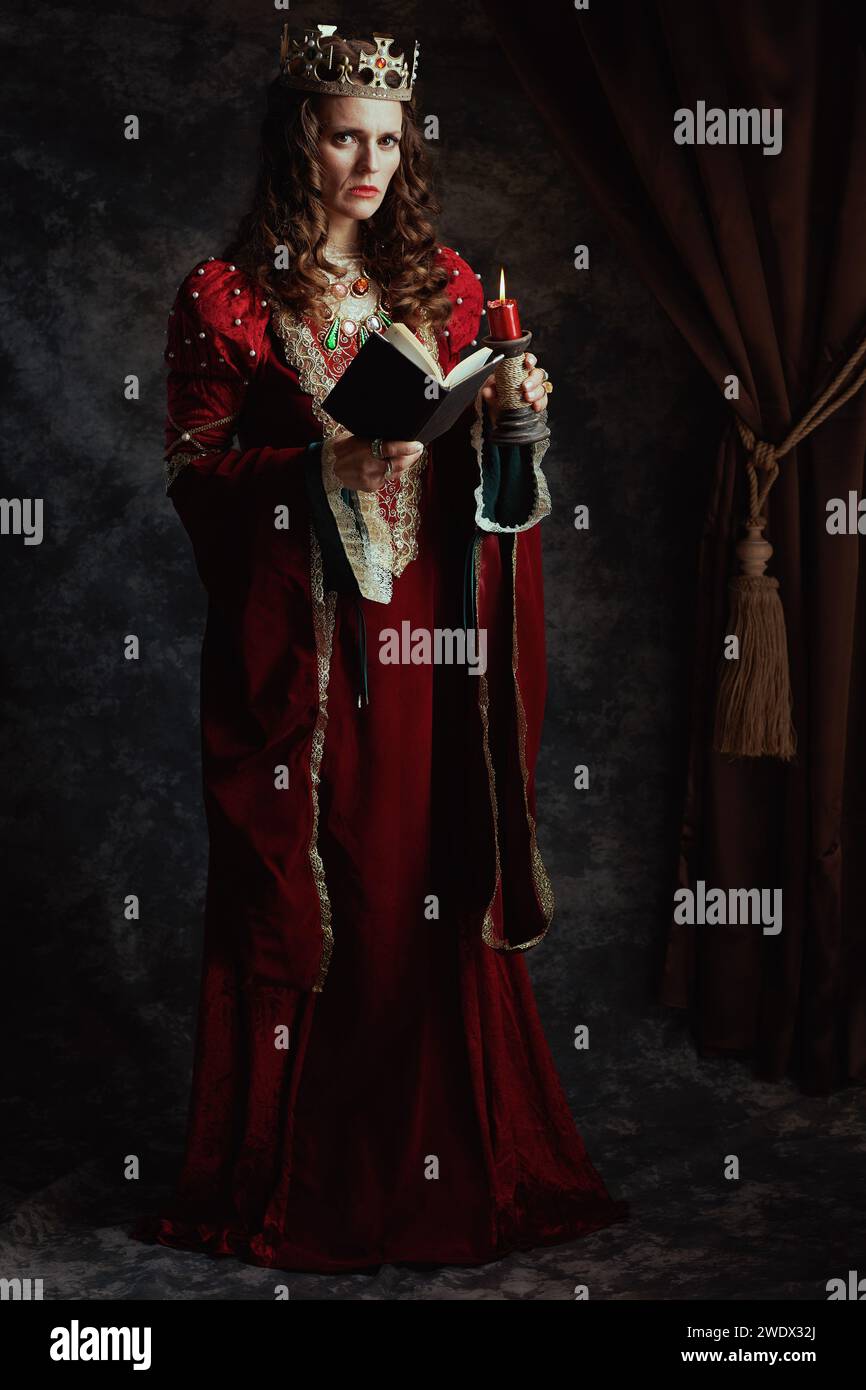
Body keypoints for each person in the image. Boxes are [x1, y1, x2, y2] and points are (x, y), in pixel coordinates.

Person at [131, 22, 628, 1273]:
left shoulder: (447, 286)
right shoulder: (223, 294)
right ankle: (304, 1175)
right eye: (345, 135)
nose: (369, 161)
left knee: (423, 865)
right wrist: (315, 464)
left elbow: (479, 483)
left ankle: (442, 1159)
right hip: (302, 645)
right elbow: (196, 481)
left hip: (428, 641)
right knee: (323, 882)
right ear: (301, 137)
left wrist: (512, 425)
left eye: (388, 140)